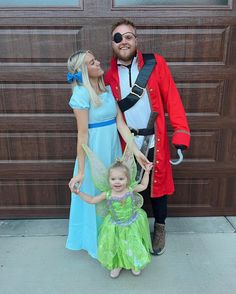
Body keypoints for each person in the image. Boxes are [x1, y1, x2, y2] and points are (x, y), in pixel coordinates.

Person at [105, 19, 191, 256]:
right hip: (128, 142)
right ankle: (135, 229)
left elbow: (172, 99)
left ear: (136, 40)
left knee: (158, 185)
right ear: (112, 44)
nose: (124, 41)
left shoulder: (155, 64)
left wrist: (181, 134)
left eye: (129, 36)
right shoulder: (108, 77)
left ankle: (160, 227)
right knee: (131, 187)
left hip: (156, 139)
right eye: (118, 37)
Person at [66, 50, 150, 259]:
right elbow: (82, 134)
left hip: (112, 150)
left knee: (115, 196)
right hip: (94, 153)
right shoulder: (81, 95)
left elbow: (120, 123)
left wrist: (136, 151)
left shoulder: (108, 90)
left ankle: (119, 242)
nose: (98, 62)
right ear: (84, 71)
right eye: (92, 62)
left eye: (95, 59)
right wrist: (82, 171)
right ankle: (99, 245)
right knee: (97, 196)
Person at [74, 143, 153, 278]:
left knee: (133, 243)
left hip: (131, 223)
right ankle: (117, 264)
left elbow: (144, 186)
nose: (117, 182)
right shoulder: (108, 194)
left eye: (121, 179)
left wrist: (146, 171)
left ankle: (135, 262)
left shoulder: (130, 190)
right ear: (109, 180)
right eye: (113, 179)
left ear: (127, 180)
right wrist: (79, 193)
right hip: (115, 225)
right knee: (115, 245)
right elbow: (92, 200)